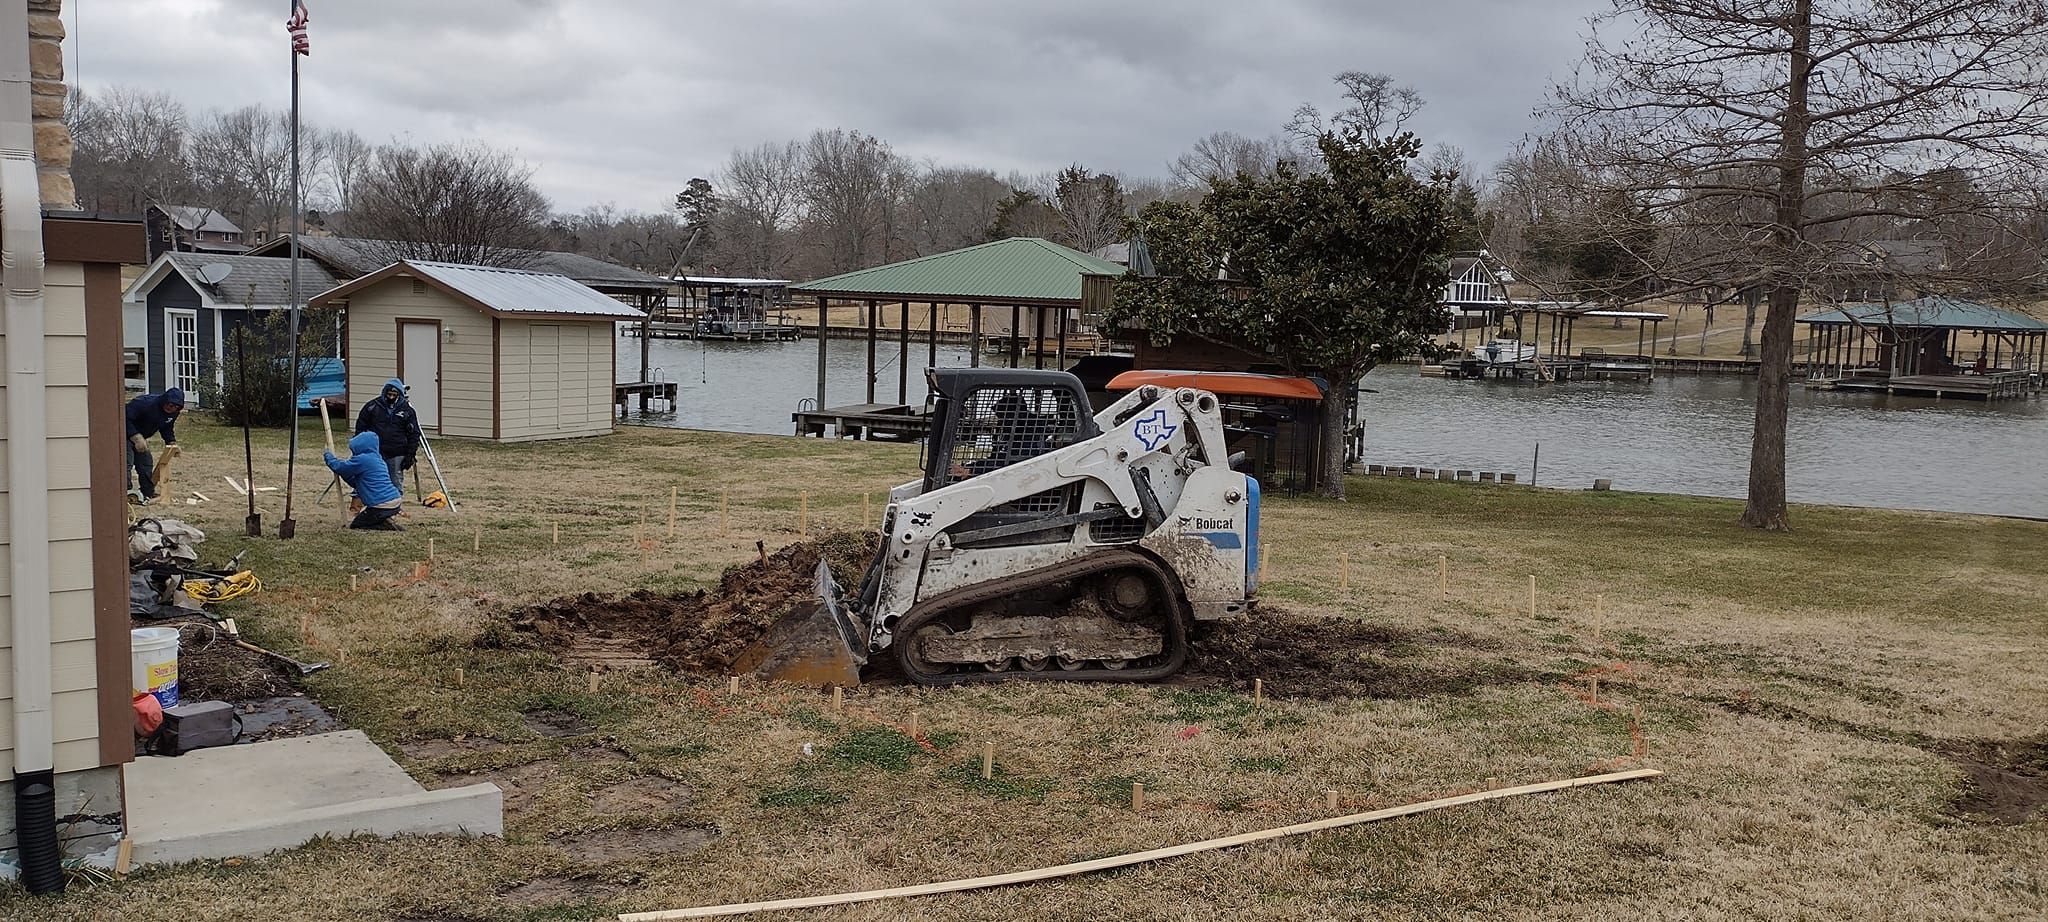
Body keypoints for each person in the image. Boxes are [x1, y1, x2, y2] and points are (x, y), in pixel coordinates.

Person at [325, 431, 404, 530]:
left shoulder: (363, 459)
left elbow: (340, 467)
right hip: (394, 501)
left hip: (381, 504)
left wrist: (329, 457)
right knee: (370, 518)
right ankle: (384, 520)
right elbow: (359, 483)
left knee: (357, 525)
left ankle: (384, 525)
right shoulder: (377, 459)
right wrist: (345, 475)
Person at [355, 378, 422, 492]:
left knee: (395, 480)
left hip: (397, 452)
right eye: (389, 394)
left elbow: (414, 434)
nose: (391, 397)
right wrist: (359, 448)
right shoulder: (372, 407)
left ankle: (395, 506)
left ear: (399, 394)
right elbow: (360, 429)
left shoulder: (407, 411)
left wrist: (410, 454)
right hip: (375, 451)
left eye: (394, 394)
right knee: (369, 477)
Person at [124, 387, 185, 505]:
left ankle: (147, 493)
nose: (171, 408)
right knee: (126, 463)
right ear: (165, 400)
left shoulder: (173, 413)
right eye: (170, 405)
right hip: (124, 435)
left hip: (142, 438)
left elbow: (167, 427)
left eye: (175, 407)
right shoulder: (144, 404)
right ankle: (126, 492)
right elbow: (124, 418)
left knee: (146, 463)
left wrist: (171, 442)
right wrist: (135, 436)